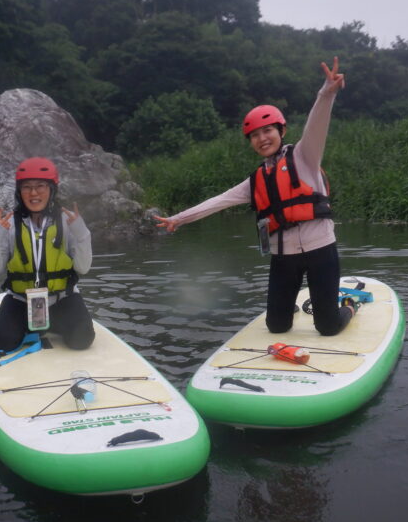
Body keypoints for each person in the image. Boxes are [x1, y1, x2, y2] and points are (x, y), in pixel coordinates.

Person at [153, 57, 358, 336]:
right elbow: (218, 201)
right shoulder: (256, 180)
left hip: (321, 251)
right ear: (250, 142)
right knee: (276, 327)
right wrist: (178, 219)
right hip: (283, 257)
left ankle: (349, 307)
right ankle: (290, 308)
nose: (262, 138)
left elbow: (317, 124)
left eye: (268, 131)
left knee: (328, 327)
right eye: (255, 135)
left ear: (281, 131)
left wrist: (327, 92)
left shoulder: (304, 156)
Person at [0, 157, 95, 353]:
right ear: (19, 192)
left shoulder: (68, 221)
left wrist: (82, 234)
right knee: (0, 341)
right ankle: (36, 326)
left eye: (40, 186)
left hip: (62, 298)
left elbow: (83, 268)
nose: (34, 193)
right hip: (21, 300)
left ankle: (52, 324)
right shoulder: (8, 225)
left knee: (82, 340)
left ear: (52, 189)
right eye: (27, 187)